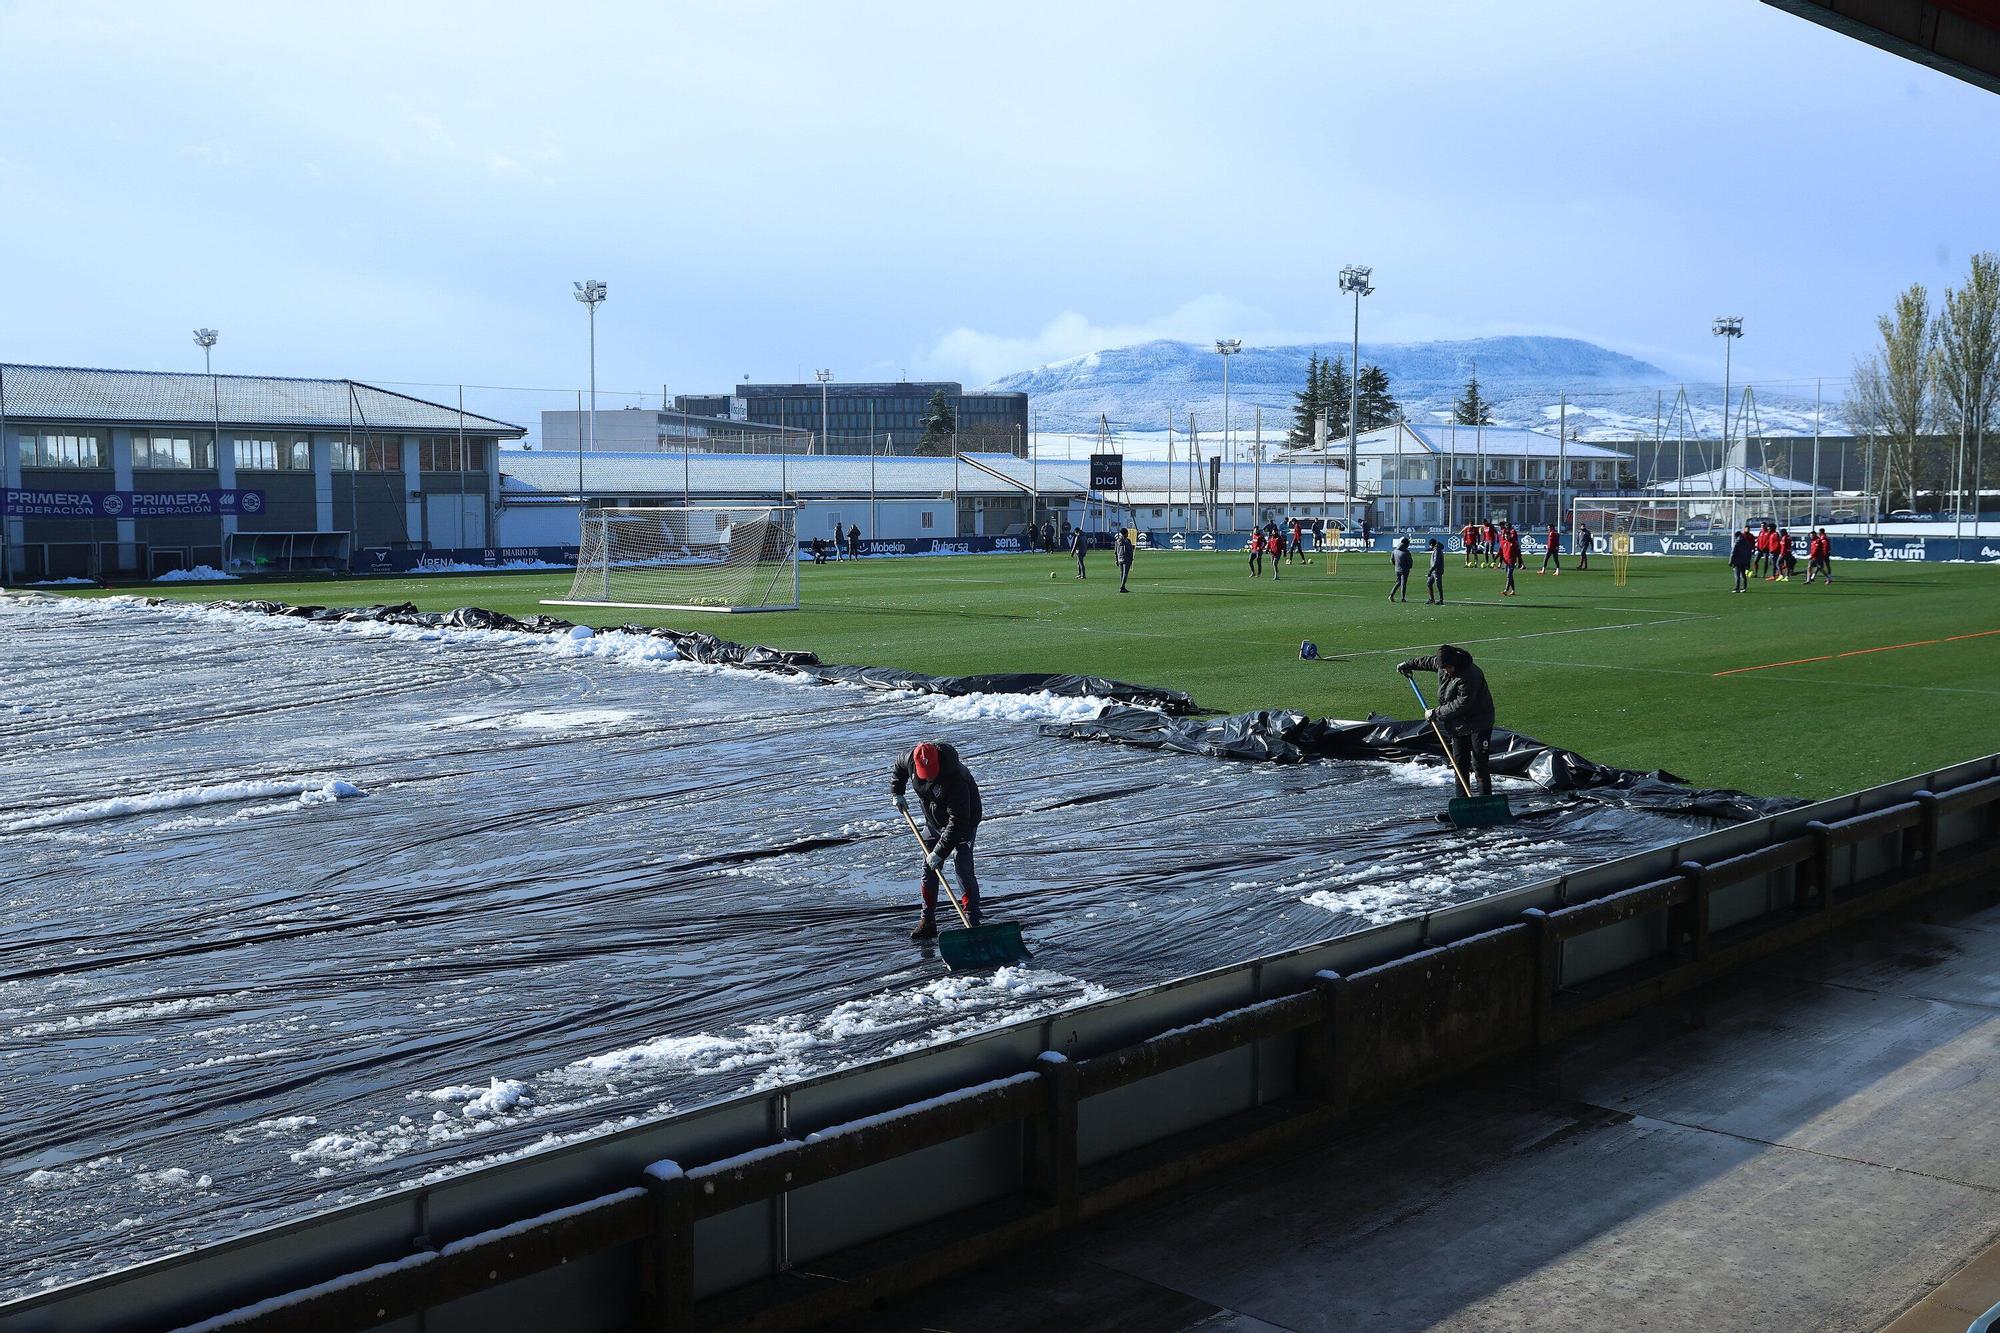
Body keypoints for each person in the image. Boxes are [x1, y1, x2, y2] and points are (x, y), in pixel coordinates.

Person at [891, 740, 983, 938]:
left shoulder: (955, 778)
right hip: (933, 822)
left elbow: (958, 821)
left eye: (932, 771)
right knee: (928, 868)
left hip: (963, 823)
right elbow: (898, 768)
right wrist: (897, 792)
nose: (929, 777)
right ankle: (927, 920)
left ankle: (973, 920)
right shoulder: (909, 759)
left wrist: (940, 852)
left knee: (963, 868)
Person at [1398, 644, 1496, 797]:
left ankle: (1486, 801)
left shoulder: (1470, 675)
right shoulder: (1443, 665)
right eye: (1443, 668)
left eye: (1448, 668)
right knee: (1459, 765)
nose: (1445, 671)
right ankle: (1463, 802)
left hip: (1479, 722)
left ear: (1455, 663)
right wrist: (1408, 665)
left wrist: (1436, 713)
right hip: (1457, 724)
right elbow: (1427, 662)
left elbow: (1462, 703)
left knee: (1479, 765)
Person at [1730, 528, 1754, 593]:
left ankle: (1737, 588)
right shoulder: (1746, 542)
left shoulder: (1737, 543)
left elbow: (1733, 553)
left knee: (1737, 575)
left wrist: (1730, 561)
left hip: (1737, 561)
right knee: (1743, 575)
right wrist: (1748, 561)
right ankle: (1744, 588)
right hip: (1744, 561)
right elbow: (1749, 552)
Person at [1390, 535, 1413, 602]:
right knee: (1403, 584)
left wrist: (1396, 565)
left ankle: (1391, 595)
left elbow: (1392, 560)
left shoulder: (1394, 551)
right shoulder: (1406, 552)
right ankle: (1403, 598)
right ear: (1406, 544)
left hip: (1397, 569)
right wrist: (1409, 567)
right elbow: (1410, 562)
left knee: (1398, 582)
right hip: (1404, 570)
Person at [1500, 523, 1520, 596]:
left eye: (1507, 536)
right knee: (1510, 576)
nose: (1505, 537)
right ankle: (1513, 590)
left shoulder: (1513, 543)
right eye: (1505, 536)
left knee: (1509, 575)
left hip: (1512, 562)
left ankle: (1506, 590)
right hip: (1506, 562)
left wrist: (1519, 562)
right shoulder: (1504, 542)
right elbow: (1501, 553)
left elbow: (1518, 553)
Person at [1425, 538, 1446, 605]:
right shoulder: (1436, 549)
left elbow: (1436, 562)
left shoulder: (1437, 550)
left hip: (1437, 571)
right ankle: (1432, 599)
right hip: (1434, 571)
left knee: (1438, 585)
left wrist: (1430, 571)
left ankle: (1441, 600)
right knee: (1429, 583)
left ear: (1431, 544)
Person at [1114, 525, 1135, 593]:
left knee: (1121, 573)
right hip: (1126, 559)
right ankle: (1122, 587)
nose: (1128, 534)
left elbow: (1115, 551)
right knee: (1125, 574)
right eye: (1127, 533)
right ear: (1125, 533)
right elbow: (1130, 550)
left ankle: (1123, 587)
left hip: (1120, 558)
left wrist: (1116, 559)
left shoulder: (1117, 541)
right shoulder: (1127, 541)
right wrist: (1131, 558)